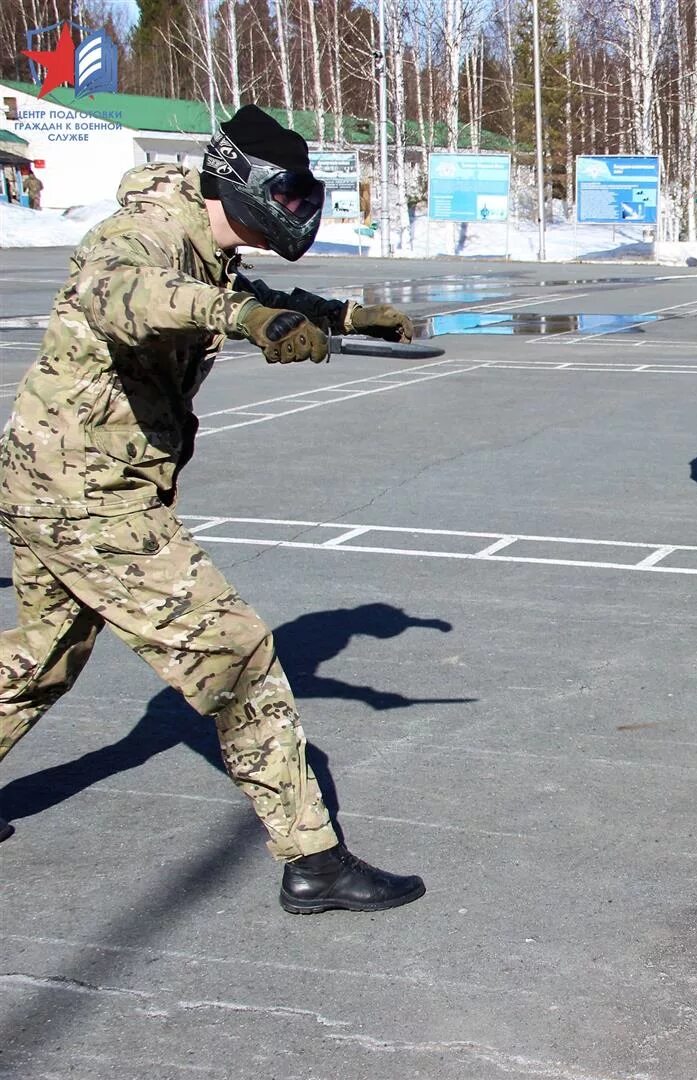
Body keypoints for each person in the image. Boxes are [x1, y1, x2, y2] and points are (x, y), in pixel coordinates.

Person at [0, 105, 425, 914]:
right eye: (289, 197)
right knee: (239, 655)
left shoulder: (206, 245)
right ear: (245, 186)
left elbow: (238, 291)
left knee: (43, 659)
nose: (298, 213)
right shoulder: (138, 239)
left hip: (55, 483)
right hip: (86, 497)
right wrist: (247, 319)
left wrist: (340, 316)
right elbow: (127, 295)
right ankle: (315, 863)